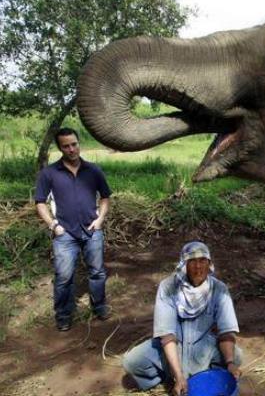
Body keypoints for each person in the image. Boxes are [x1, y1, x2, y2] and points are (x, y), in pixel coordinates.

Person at [123, 241, 242, 396]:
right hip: (173, 345)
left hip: (203, 346)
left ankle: (201, 376)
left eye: (202, 261)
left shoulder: (219, 289)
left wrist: (230, 363)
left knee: (237, 356)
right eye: (192, 261)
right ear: (183, 264)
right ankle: (170, 375)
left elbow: (226, 332)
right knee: (132, 362)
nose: (198, 267)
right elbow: (167, 336)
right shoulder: (168, 287)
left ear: (209, 263)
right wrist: (178, 376)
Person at [34, 127, 111, 331]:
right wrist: (53, 225)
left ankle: (100, 306)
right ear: (60, 148)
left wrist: (100, 219)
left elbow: (105, 197)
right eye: (66, 146)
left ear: (79, 143)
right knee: (64, 277)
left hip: (92, 230)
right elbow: (40, 202)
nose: (71, 149)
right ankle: (64, 314)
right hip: (64, 233)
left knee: (97, 272)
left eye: (74, 144)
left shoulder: (93, 170)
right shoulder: (49, 173)